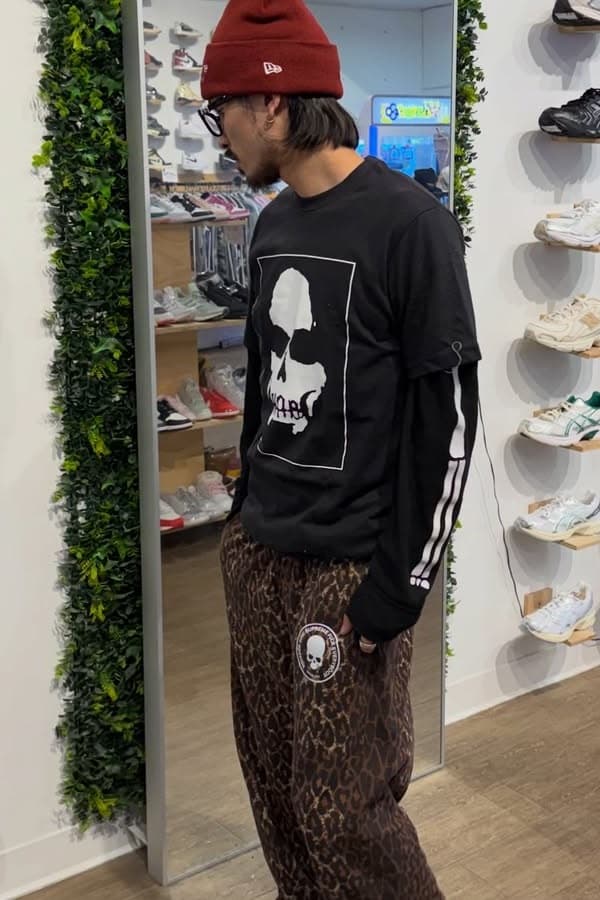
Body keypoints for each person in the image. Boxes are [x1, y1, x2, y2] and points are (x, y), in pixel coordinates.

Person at [200, 1, 480, 897]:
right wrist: (242, 515)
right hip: (263, 549)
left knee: (346, 809)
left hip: (351, 563)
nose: (220, 132)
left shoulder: (411, 225)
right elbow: (263, 384)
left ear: (273, 104)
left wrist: (402, 583)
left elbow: (450, 417)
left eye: (222, 110)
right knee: (275, 783)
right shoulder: (274, 224)